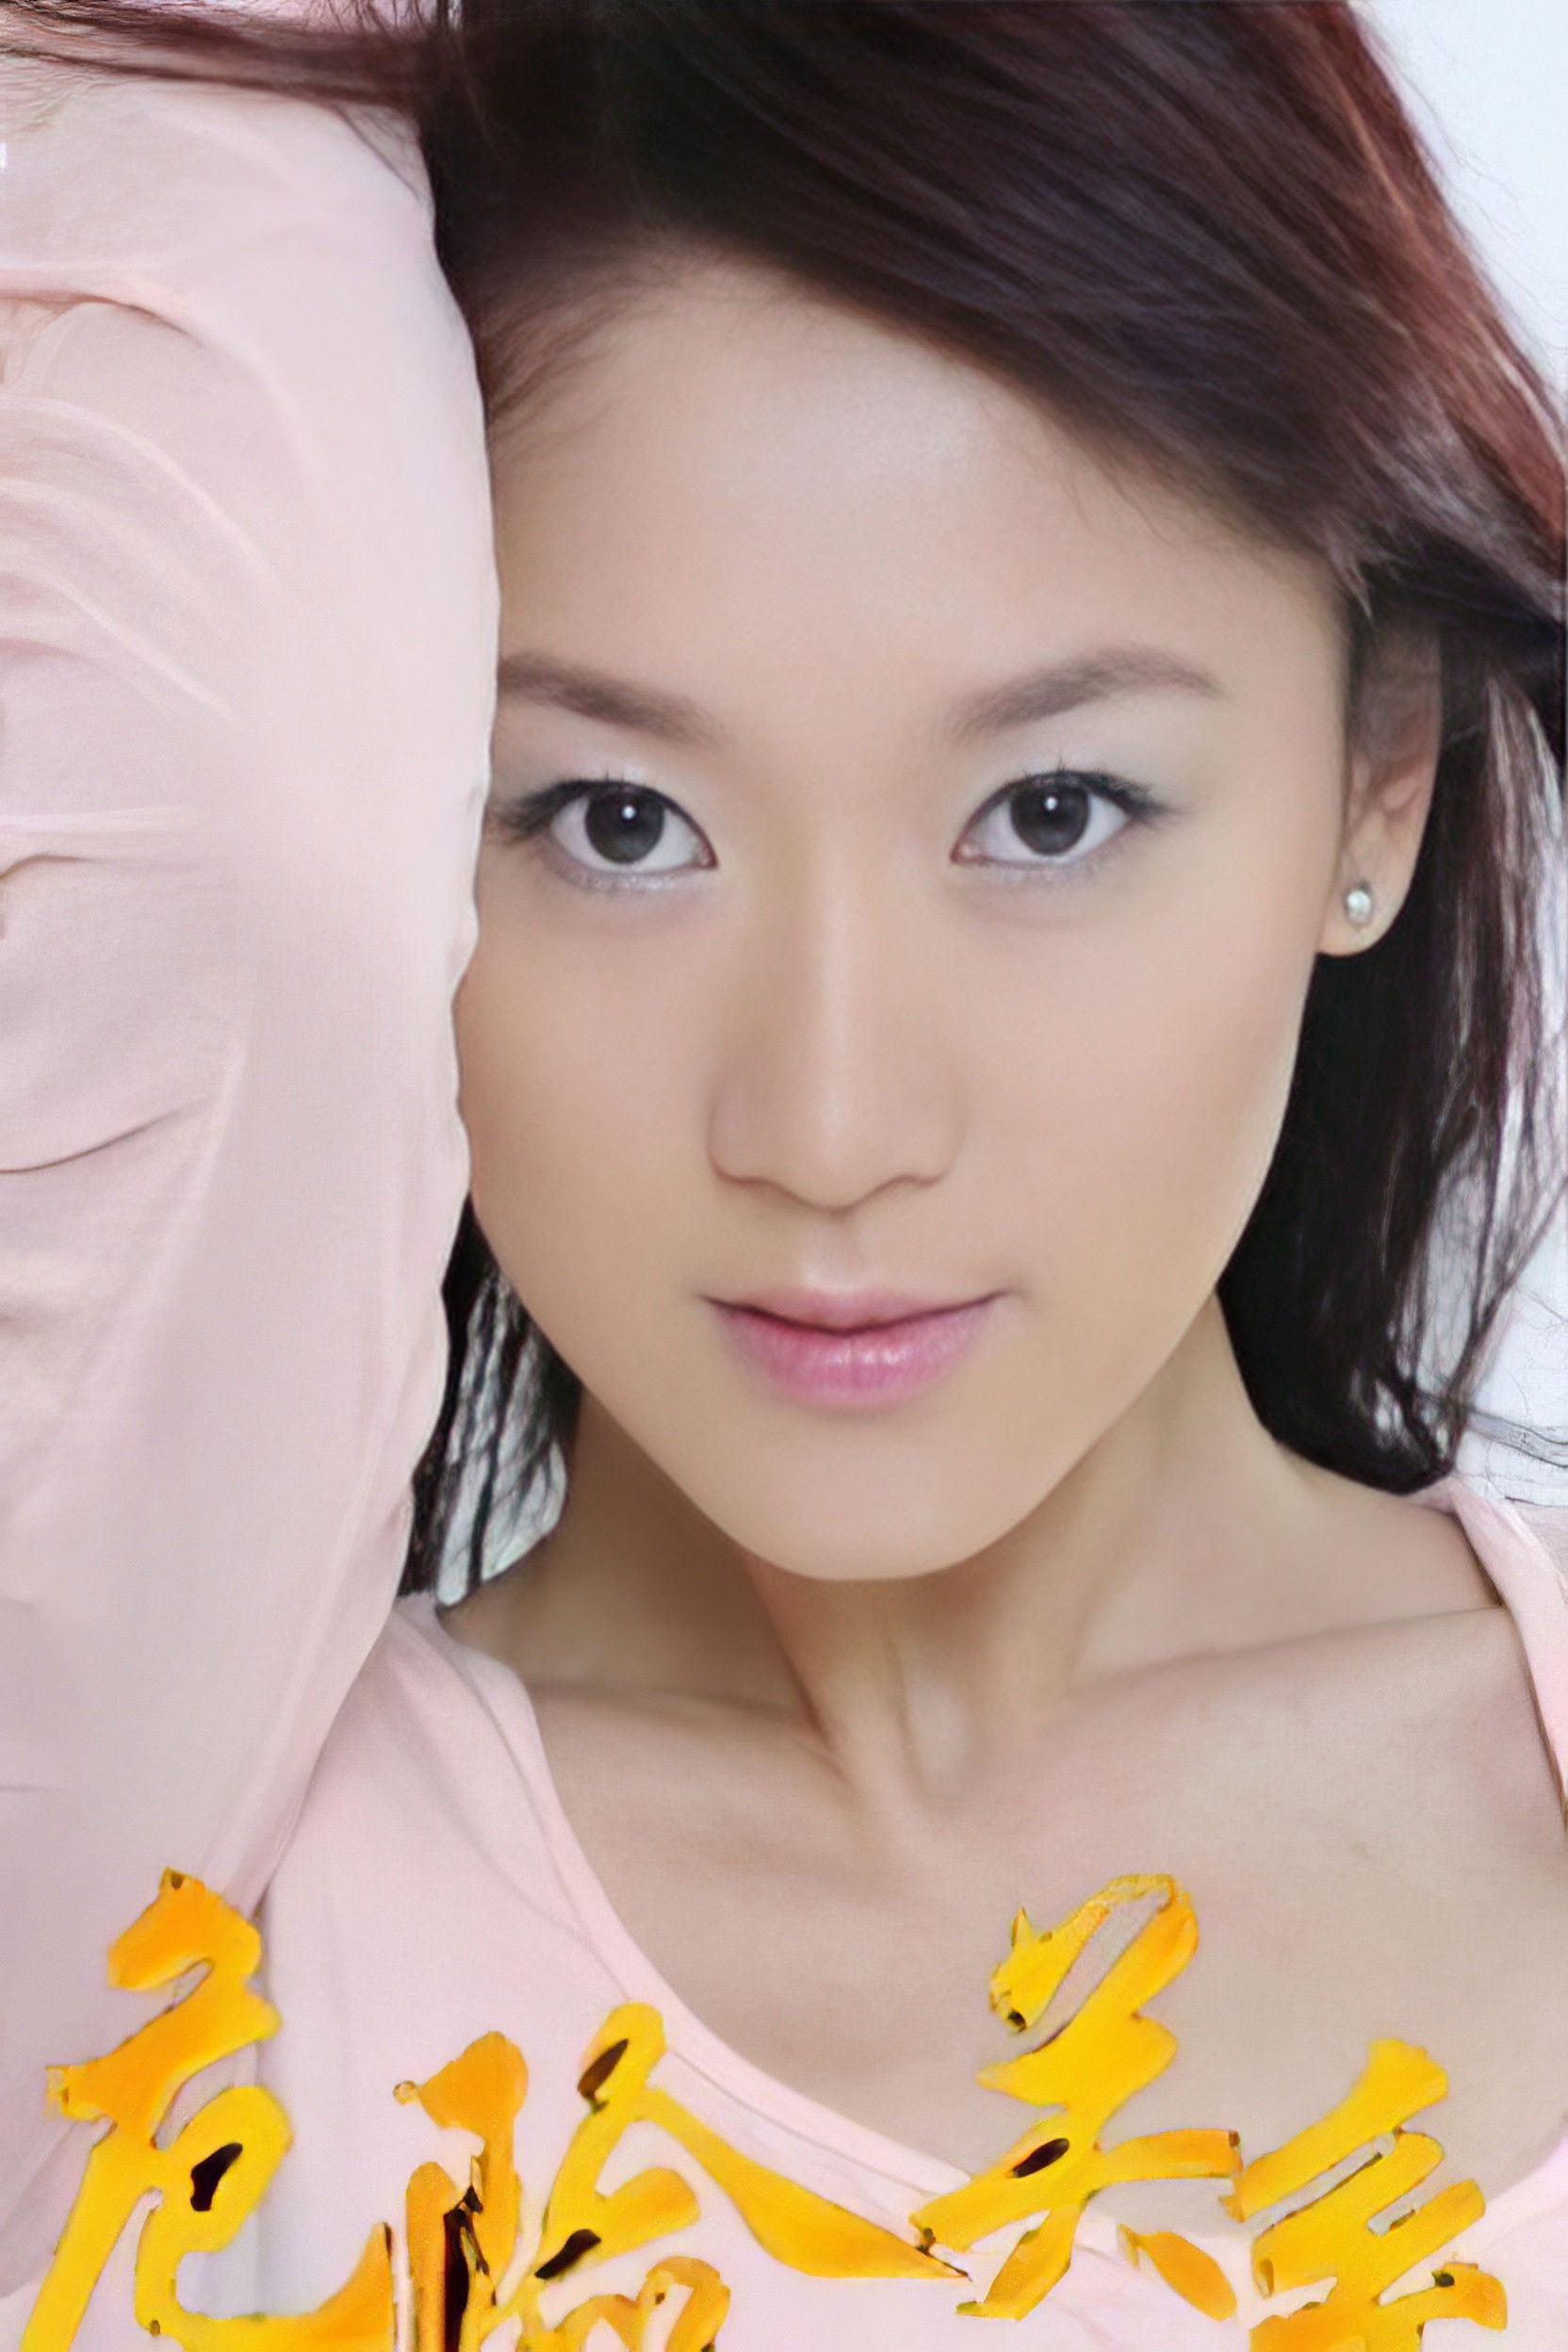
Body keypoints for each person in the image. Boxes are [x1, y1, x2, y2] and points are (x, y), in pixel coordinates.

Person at [2, 3, 1565, 2344]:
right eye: (618, 824)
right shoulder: (143, 1951)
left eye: (1050, 813)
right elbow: (224, 823)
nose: (829, 1130)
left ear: (1376, 779)